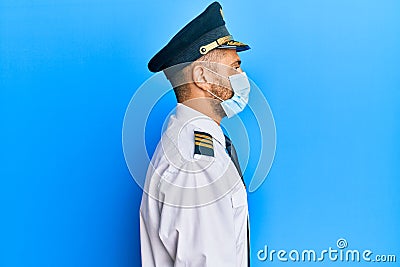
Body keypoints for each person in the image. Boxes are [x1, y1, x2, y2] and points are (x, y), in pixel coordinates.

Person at [140, 2, 251, 266]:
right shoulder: (198, 165)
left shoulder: (184, 140)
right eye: (234, 67)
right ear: (201, 76)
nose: (243, 76)